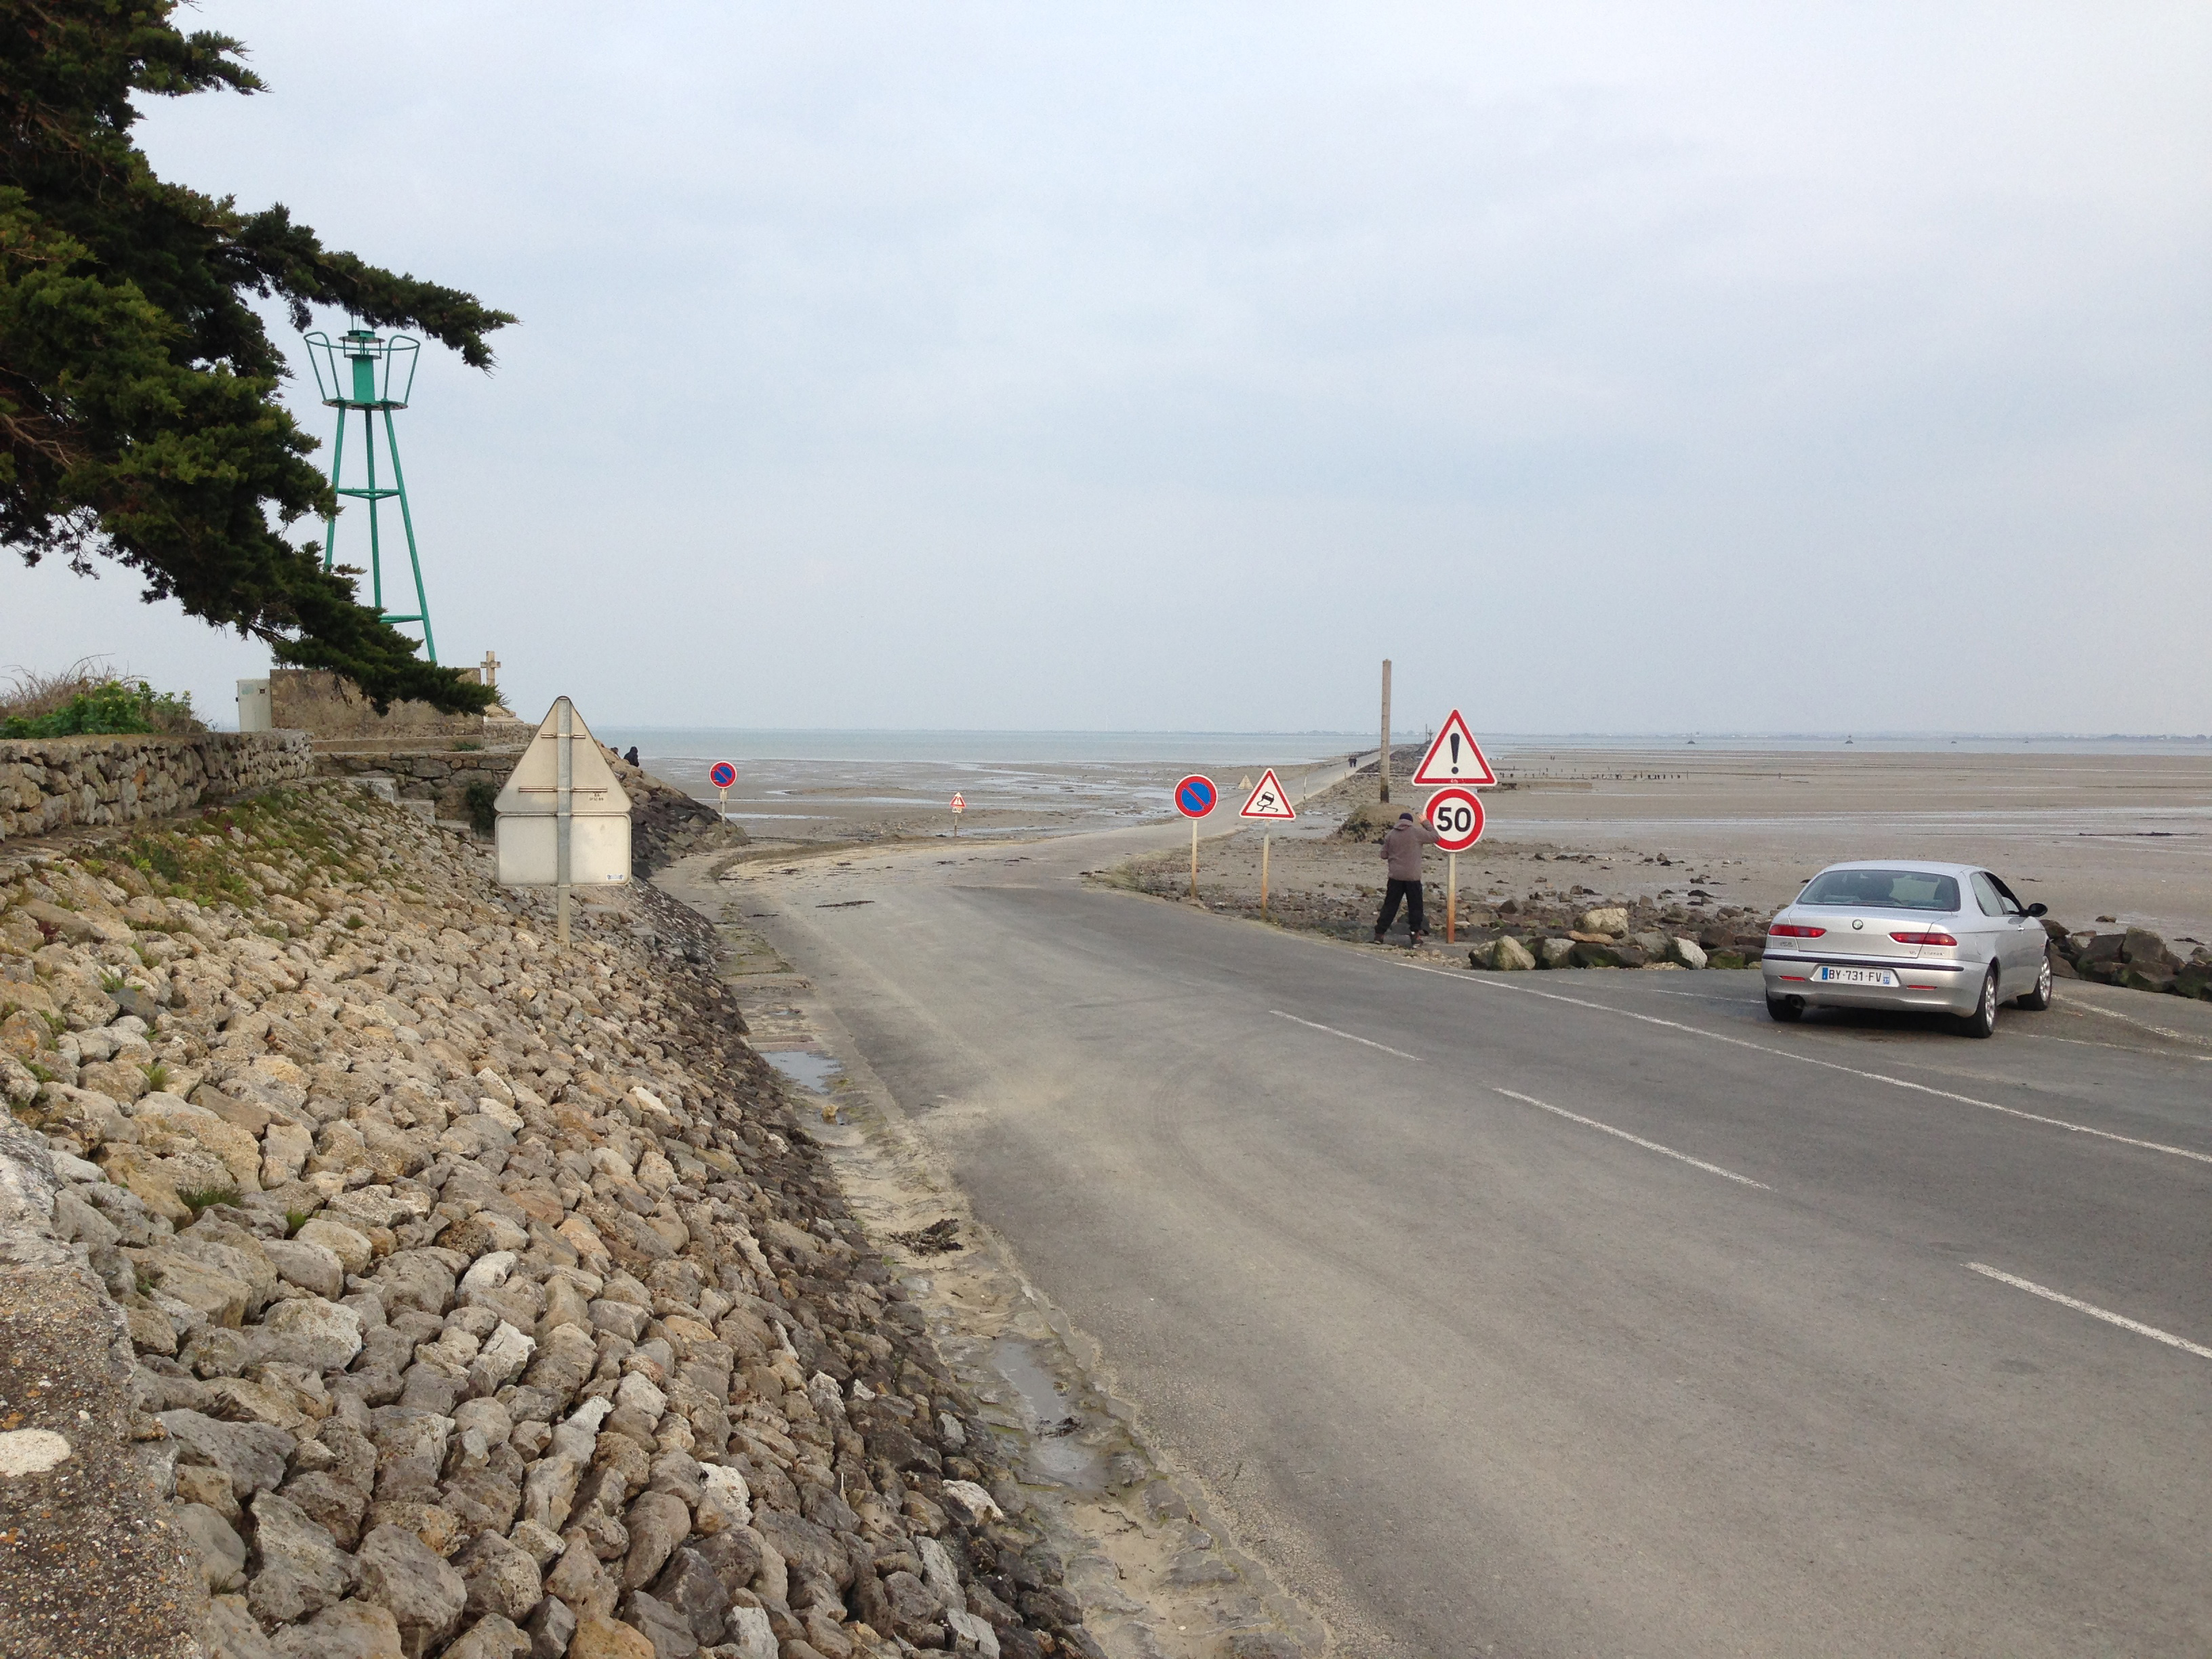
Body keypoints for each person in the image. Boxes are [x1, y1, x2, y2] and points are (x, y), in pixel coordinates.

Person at [1374, 809, 1439, 945]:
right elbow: (1435, 837)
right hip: (1412, 877)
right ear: (1410, 822)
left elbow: (1383, 855)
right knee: (1415, 907)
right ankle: (1415, 935)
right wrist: (1425, 822)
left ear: (1399, 822)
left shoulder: (1391, 834)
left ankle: (1379, 934)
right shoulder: (1416, 832)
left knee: (1390, 906)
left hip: (1395, 877)